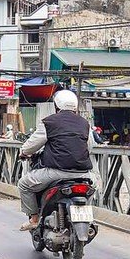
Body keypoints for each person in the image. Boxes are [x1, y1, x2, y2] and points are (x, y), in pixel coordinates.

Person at [17, 90, 94, 231]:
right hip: (84, 174)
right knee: (93, 189)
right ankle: (87, 219)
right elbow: (90, 147)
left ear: (56, 106)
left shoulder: (49, 122)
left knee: (24, 184)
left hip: (56, 172)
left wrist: (23, 152)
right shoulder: (84, 123)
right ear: (75, 106)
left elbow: (31, 146)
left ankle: (34, 219)